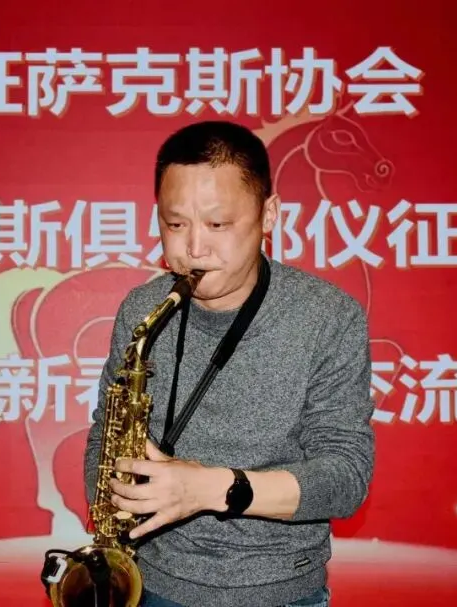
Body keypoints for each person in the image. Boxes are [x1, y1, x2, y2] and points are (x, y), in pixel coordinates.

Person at [82, 120, 376, 607]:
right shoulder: (142, 310)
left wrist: (211, 489)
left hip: (279, 593)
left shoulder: (329, 317)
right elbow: (104, 433)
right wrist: (114, 500)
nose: (194, 248)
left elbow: (345, 478)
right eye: (175, 225)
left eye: (217, 225)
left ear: (269, 214)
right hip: (151, 582)